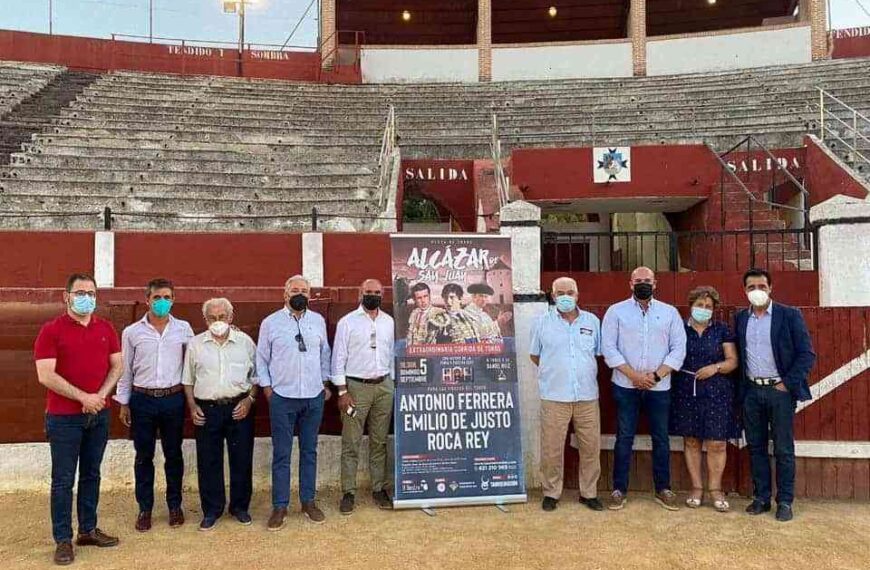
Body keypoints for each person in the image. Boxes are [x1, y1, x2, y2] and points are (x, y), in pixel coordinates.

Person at [34, 273, 123, 566]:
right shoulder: (51, 330)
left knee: (91, 474)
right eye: (81, 293)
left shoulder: (105, 328)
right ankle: (63, 539)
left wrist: (100, 396)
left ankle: (87, 530)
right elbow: (45, 374)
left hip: (98, 414)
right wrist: (84, 397)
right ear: (67, 296)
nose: (87, 298)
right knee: (63, 480)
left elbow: (117, 366)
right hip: (64, 419)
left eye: (92, 293)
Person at [601, 266, 686, 511]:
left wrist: (656, 376)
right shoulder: (616, 311)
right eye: (638, 280)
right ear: (630, 284)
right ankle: (619, 489)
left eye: (647, 280)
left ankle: (663, 488)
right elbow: (609, 348)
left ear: (655, 283)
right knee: (624, 437)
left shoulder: (669, 313)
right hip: (625, 385)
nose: (643, 284)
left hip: (660, 387)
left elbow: (678, 349)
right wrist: (634, 376)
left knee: (661, 438)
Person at [735, 268, 815, 522]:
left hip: (779, 392)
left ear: (770, 288)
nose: (756, 290)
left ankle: (785, 501)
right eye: (751, 287)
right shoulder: (741, 318)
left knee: (783, 448)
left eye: (761, 286)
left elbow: (806, 354)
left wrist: (787, 384)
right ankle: (761, 497)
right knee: (756, 447)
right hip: (752, 390)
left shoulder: (789, 315)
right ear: (744, 290)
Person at [115, 278, 194, 532]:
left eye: (167, 297)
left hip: (173, 398)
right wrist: (124, 402)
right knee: (143, 456)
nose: (162, 302)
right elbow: (125, 369)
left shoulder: (183, 328)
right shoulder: (132, 332)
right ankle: (145, 508)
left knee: (174, 454)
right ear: (147, 300)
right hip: (142, 399)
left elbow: (194, 362)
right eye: (157, 297)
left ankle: (174, 506)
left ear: (173, 300)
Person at [257, 275, 332, 530]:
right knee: (282, 453)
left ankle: (308, 501)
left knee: (309, 451)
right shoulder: (270, 323)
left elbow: (325, 354)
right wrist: (268, 389)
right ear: (285, 294)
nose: (300, 294)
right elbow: (261, 358)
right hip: (282, 397)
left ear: (310, 295)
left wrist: (324, 383)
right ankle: (280, 505)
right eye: (295, 290)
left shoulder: (318, 321)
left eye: (304, 290)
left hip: (313, 396)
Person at [182, 298, 258, 531]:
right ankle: (212, 510)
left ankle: (240, 507)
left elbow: (256, 377)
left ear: (230, 317)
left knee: (241, 458)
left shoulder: (245, 342)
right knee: (208, 460)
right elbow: (188, 380)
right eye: (212, 318)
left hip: (239, 407)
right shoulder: (195, 345)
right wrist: (192, 406)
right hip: (207, 409)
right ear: (205, 320)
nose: (217, 321)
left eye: (222, 317)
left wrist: (249, 400)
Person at [530, 277, 604, 512]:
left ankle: (589, 493)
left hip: (586, 396)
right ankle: (551, 492)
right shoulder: (541, 323)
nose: (565, 297)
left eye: (570, 292)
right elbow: (535, 355)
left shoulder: (592, 321)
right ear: (553, 296)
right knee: (551, 449)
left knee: (590, 447)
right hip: (554, 396)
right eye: (560, 293)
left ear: (577, 295)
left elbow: (597, 353)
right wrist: (556, 371)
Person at [669, 286, 739, 512]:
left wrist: (714, 368)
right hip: (686, 389)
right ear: (691, 305)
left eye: (708, 306)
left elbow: (732, 361)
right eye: (700, 305)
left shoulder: (721, 329)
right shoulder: (679, 329)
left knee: (717, 442)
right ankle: (696, 488)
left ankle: (715, 489)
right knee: (691, 440)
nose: (704, 309)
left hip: (717, 390)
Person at [332, 279, 395, 514]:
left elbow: (391, 354)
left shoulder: (389, 321)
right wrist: (342, 390)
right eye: (368, 292)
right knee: (351, 441)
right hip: (356, 388)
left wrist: (392, 383)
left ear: (382, 295)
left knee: (379, 441)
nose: (372, 295)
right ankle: (348, 492)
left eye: (377, 292)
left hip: (384, 386)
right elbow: (338, 357)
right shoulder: (347, 322)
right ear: (360, 293)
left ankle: (379, 488)